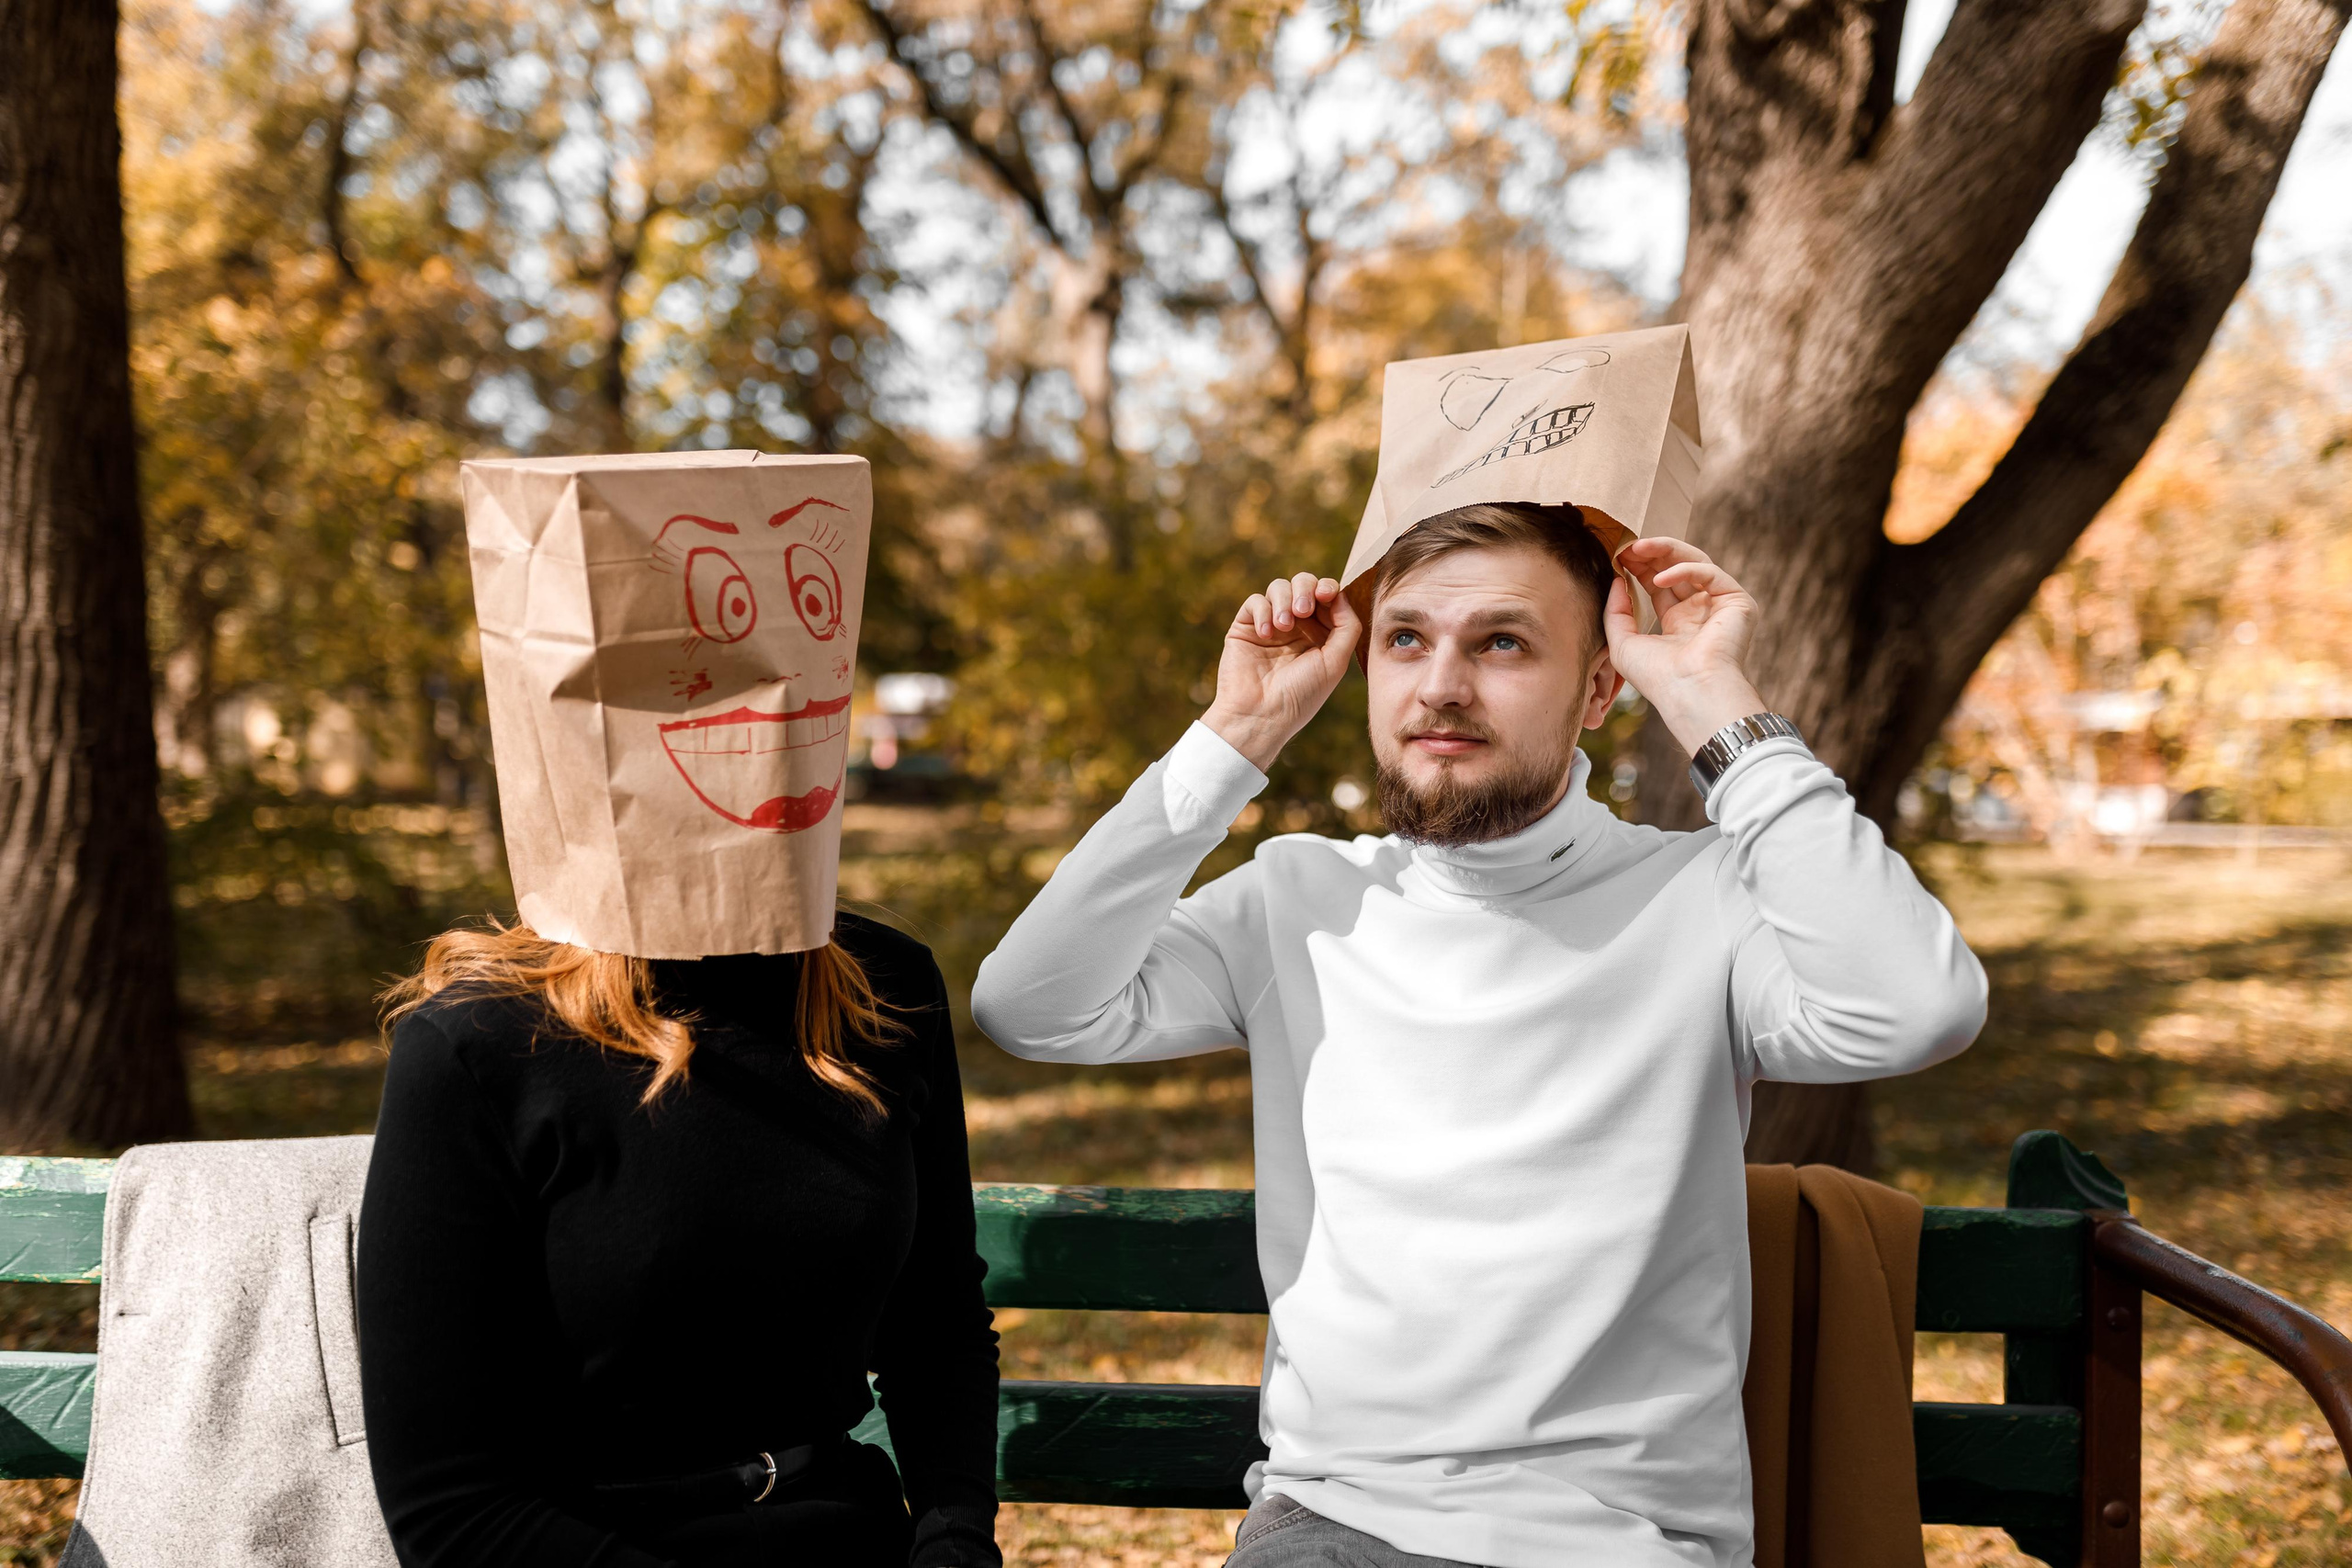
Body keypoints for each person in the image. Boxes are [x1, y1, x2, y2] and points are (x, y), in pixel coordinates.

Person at [971, 502, 1987, 1568]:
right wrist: (1238, 733)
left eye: (1501, 642)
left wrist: (1711, 701)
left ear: (1600, 688)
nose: (1440, 685)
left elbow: (1917, 1006)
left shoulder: (1704, 898)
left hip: (1629, 1544)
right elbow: (1033, 1007)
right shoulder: (1300, 899)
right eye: (1405, 639)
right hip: (1339, 1526)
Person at [356, 912, 1002, 1568]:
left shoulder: (884, 984)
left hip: (847, 1537)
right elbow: (448, 1508)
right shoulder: (480, 1038)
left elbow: (937, 1328)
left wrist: (956, 1545)